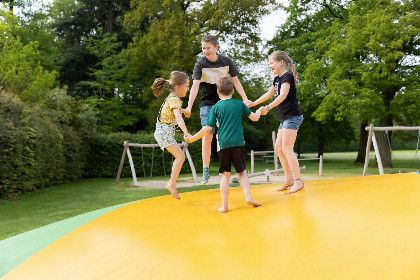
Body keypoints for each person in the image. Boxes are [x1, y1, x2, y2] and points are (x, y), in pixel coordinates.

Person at [185, 76, 261, 213]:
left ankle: (224, 206)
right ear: (233, 91)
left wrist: (193, 137)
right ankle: (248, 197)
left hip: (223, 145)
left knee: (225, 175)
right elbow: (255, 118)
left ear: (218, 93)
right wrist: (260, 110)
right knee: (242, 172)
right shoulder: (239, 104)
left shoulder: (215, 107)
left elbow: (208, 128)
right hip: (238, 143)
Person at [183, 35, 252, 184]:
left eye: (208, 48)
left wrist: (245, 98)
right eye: (203, 48)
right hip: (207, 102)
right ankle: (206, 169)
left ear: (216, 48)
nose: (205, 51)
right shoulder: (200, 64)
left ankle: (228, 165)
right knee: (208, 135)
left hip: (224, 100)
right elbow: (195, 87)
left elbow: (236, 81)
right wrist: (189, 106)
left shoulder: (226, 62)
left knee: (226, 133)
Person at [250, 50, 304, 194]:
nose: (269, 66)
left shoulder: (287, 77)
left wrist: (268, 107)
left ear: (281, 62)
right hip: (285, 118)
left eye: (271, 63)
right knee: (279, 149)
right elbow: (268, 94)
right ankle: (289, 180)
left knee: (287, 149)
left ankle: (298, 181)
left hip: (292, 116)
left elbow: (283, 95)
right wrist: (253, 103)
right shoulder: (277, 80)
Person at [152, 71, 191, 200]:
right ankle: (171, 184)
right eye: (186, 86)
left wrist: (183, 110)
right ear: (178, 86)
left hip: (163, 132)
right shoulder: (174, 99)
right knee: (180, 156)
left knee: (180, 157)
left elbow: (175, 112)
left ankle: (172, 183)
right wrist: (186, 132)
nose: (188, 88)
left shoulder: (172, 98)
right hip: (163, 132)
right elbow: (178, 118)